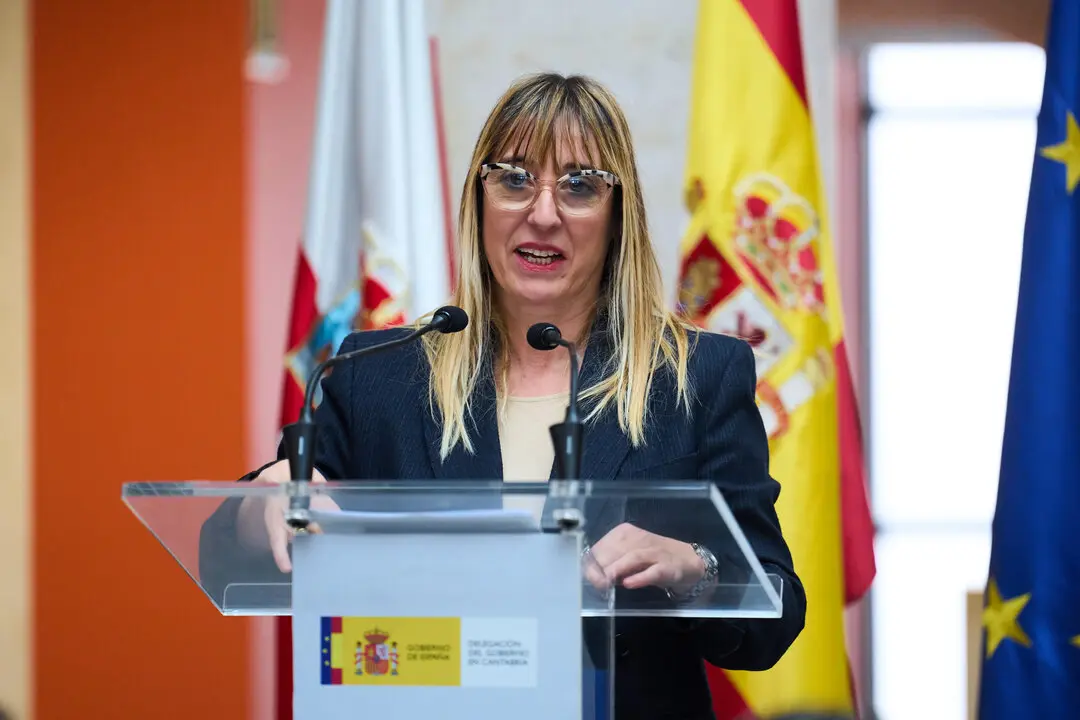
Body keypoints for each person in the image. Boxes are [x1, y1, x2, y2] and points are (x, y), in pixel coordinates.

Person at [200, 72, 805, 719]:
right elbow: (222, 559)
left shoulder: (697, 377)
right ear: (478, 198)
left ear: (616, 212)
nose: (542, 213)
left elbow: (774, 611)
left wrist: (697, 567)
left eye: (578, 186)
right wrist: (260, 499)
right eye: (515, 178)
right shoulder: (379, 376)